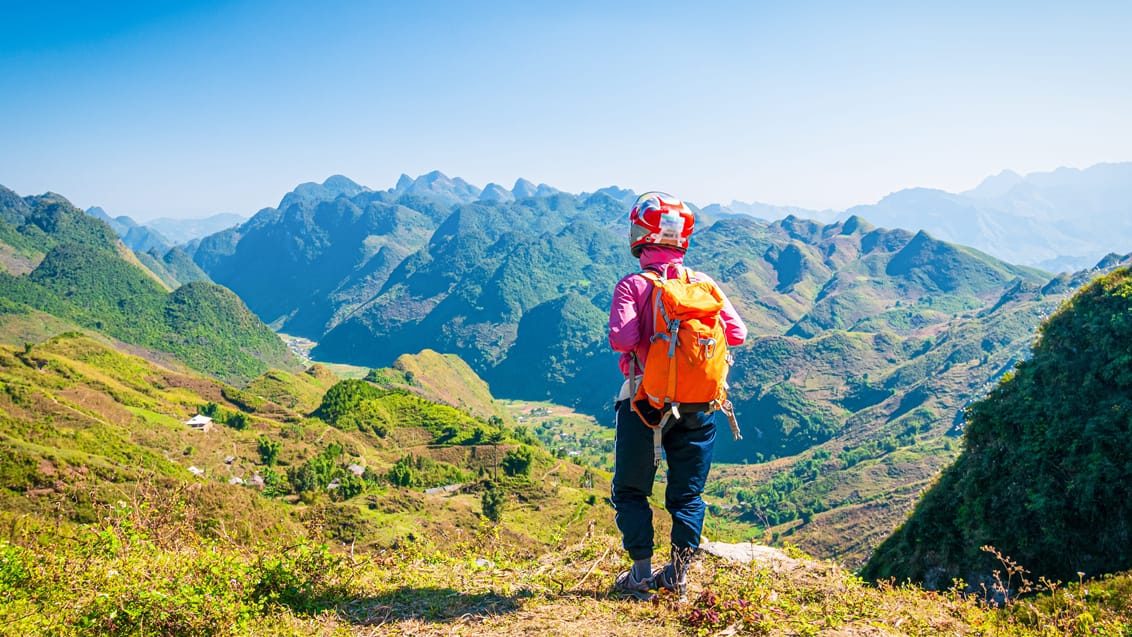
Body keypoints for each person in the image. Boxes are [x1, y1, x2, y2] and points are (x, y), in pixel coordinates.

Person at [608, 191, 747, 600]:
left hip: (643, 403)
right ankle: (679, 576)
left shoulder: (634, 284)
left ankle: (640, 575)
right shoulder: (703, 285)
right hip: (700, 405)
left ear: (640, 235)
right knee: (687, 494)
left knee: (631, 490)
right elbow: (736, 334)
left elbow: (622, 339)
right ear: (682, 237)